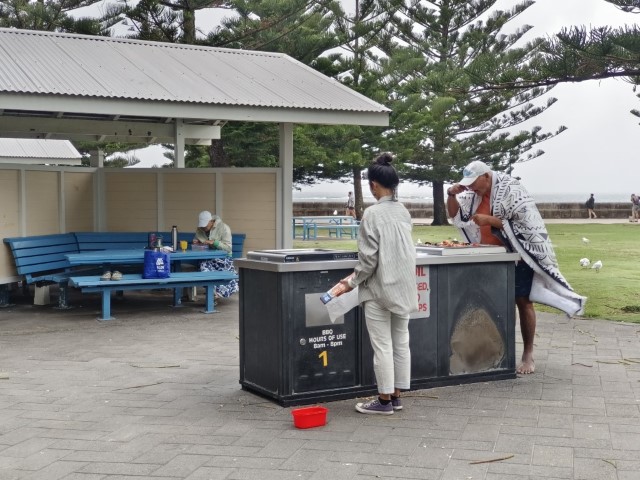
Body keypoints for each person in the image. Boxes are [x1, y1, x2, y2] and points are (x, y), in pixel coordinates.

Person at [446, 161, 586, 375]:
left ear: (485, 176)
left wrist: (490, 219)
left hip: (517, 254)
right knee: (493, 304)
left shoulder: (511, 189)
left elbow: (526, 224)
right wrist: (451, 195)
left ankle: (527, 353)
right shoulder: (471, 194)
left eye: (475, 183)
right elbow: (456, 218)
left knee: (523, 301)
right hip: (490, 256)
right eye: (469, 184)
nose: (472, 188)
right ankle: (497, 352)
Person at [340, 153, 418, 415]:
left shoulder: (372, 214)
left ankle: (383, 401)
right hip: (404, 287)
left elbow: (368, 260)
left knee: (382, 345)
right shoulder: (404, 212)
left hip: (378, 289)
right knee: (400, 342)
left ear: (373, 185)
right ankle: (396, 395)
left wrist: (350, 282)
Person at [193, 210, 239, 298]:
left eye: (205, 226)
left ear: (211, 222)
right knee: (203, 265)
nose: (203, 228)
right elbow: (199, 241)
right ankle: (213, 291)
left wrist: (215, 243)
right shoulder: (200, 230)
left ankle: (216, 293)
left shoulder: (224, 228)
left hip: (224, 259)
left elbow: (228, 248)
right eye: (201, 226)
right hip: (208, 258)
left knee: (205, 266)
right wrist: (198, 242)